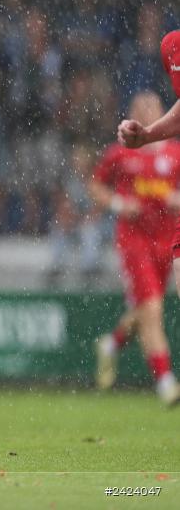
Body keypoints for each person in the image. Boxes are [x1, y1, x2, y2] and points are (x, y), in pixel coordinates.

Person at [92, 92, 180, 405]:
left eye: (152, 107)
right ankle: (166, 382)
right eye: (139, 108)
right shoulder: (120, 154)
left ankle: (111, 345)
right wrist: (118, 203)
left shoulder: (175, 153)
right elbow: (95, 186)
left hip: (167, 243)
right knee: (152, 310)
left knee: (145, 309)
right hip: (134, 242)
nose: (146, 112)